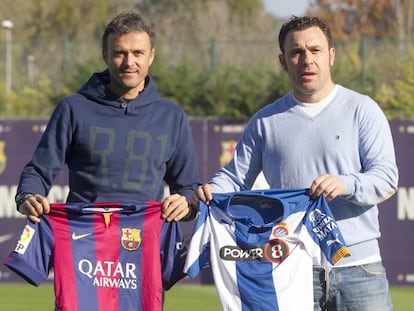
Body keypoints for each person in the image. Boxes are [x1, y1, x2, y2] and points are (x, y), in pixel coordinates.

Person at [193, 16, 398, 311]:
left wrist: (345, 183)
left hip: (359, 267)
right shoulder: (265, 121)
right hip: (291, 268)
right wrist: (211, 190)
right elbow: (235, 178)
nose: (306, 60)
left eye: (315, 50)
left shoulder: (362, 109)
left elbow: (386, 177)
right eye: (296, 52)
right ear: (283, 60)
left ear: (331, 55)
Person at [15, 11, 200, 223]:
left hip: (145, 242)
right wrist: (27, 197)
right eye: (120, 53)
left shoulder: (171, 116)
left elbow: (188, 188)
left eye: (138, 53)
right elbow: (38, 171)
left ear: (151, 56)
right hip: (82, 240)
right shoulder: (73, 108)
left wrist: (185, 204)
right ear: (105, 55)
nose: (129, 62)